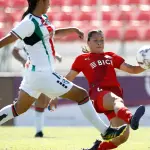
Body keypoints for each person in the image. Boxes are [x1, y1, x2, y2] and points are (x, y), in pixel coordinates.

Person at [0, 0, 127, 141]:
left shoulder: (42, 18)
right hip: (43, 74)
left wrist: (72, 30)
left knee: (19, 108)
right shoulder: (29, 22)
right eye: (47, 1)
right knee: (82, 95)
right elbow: (10, 38)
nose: (49, 3)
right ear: (40, 2)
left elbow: (52, 33)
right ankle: (105, 131)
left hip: (33, 74)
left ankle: (105, 131)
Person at [64, 30, 146, 150]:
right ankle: (131, 118)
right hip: (99, 95)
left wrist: (146, 65)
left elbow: (133, 70)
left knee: (122, 137)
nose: (99, 43)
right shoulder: (82, 59)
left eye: (101, 40)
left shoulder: (111, 56)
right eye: (95, 40)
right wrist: (54, 94)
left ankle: (97, 148)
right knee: (115, 99)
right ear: (88, 42)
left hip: (115, 100)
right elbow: (69, 78)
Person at [12, 39, 62, 137]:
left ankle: (39, 131)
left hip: (44, 71)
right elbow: (14, 51)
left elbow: (45, 52)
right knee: (29, 102)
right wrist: (23, 60)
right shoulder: (23, 36)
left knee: (41, 100)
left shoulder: (42, 35)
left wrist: (56, 55)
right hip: (30, 72)